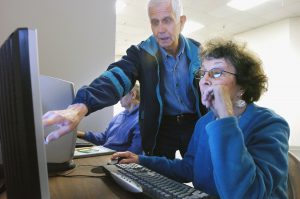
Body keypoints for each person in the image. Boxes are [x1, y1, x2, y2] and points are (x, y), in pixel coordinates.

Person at [110, 38, 290, 198]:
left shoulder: (270, 124)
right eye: (202, 73)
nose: (204, 81)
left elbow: (246, 193)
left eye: (217, 73)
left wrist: (225, 117)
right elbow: (189, 168)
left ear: (243, 85)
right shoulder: (204, 122)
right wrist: (141, 160)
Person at [43, 0, 207, 159]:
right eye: (154, 22)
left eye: (167, 20)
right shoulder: (141, 53)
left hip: (195, 123)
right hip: (161, 126)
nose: (160, 30)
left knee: (203, 172)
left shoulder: (200, 53)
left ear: (182, 21)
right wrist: (80, 106)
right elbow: (116, 76)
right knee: (158, 176)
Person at [77, 84, 142, 154]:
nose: (119, 97)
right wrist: (79, 134)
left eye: (122, 94)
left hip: (117, 158)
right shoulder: (119, 116)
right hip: (105, 153)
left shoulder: (141, 120)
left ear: (133, 95)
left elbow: (133, 154)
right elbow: (104, 138)